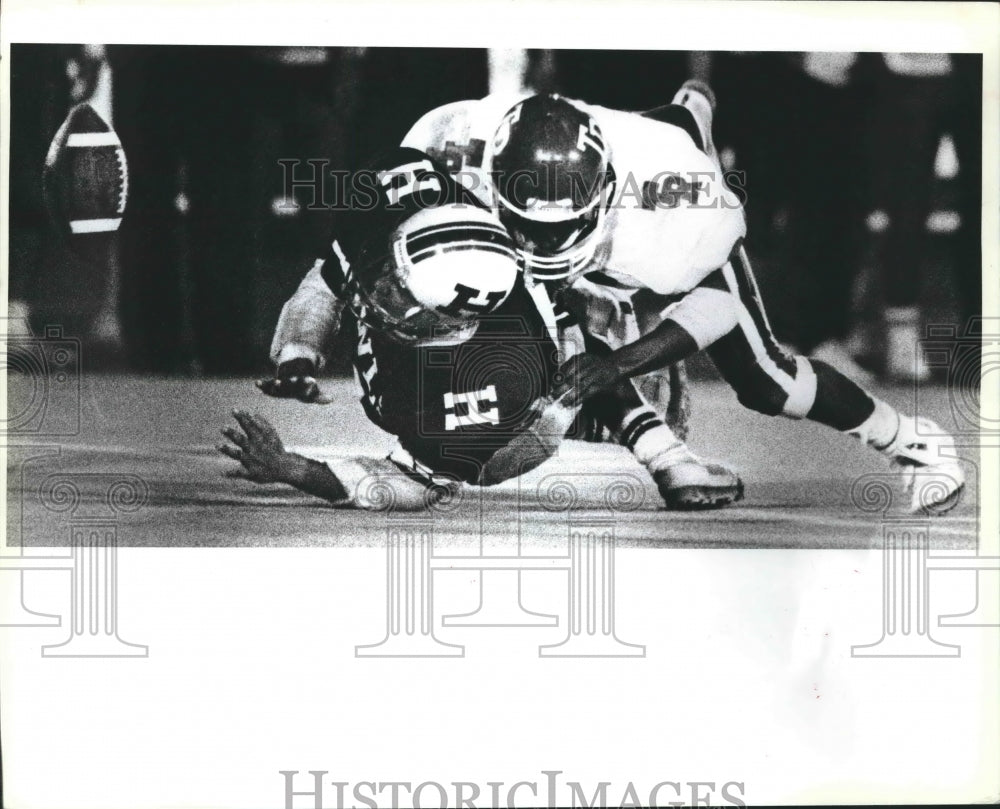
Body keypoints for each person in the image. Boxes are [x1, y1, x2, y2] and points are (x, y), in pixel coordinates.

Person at [399, 83, 964, 514]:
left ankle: (912, 441)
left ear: (603, 193)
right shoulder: (449, 143)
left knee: (769, 383)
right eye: (526, 224)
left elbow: (717, 308)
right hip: (631, 153)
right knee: (515, 314)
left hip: (666, 181)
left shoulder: (682, 205)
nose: (541, 244)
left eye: (561, 228)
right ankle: (660, 448)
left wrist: (621, 362)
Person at [221, 147, 740, 510]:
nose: (380, 287)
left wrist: (290, 468)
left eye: (400, 291)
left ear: (446, 321)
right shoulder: (388, 214)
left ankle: (663, 451)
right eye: (391, 270)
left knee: (579, 360)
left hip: (511, 421)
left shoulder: (492, 384)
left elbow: (408, 486)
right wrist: (298, 352)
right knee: (572, 325)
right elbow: (326, 280)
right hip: (512, 295)